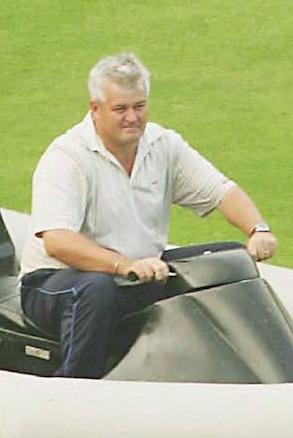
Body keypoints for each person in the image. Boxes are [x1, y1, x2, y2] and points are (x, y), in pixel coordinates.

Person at [21, 51, 277, 379]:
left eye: (139, 106)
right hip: (57, 282)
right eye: (121, 109)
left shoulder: (162, 145)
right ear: (95, 109)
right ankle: (72, 389)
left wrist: (257, 229)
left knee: (228, 258)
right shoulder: (67, 158)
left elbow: (220, 191)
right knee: (96, 290)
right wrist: (124, 265)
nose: (132, 118)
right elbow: (58, 241)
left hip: (138, 273)